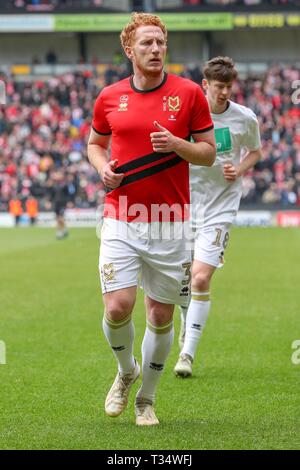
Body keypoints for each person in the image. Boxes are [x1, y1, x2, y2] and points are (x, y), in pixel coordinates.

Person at [87, 12, 215, 426]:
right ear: (129, 50)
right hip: (121, 216)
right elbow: (95, 143)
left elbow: (209, 152)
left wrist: (178, 144)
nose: (156, 49)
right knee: (119, 306)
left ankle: (146, 399)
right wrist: (101, 167)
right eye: (147, 43)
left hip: (171, 222)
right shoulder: (108, 96)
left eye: (160, 42)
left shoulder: (190, 93)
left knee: (160, 315)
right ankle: (126, 372)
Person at [174, 56, 262, 378]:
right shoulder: (187, 115)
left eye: (228, 87)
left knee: (200, 277)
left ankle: (187, 354)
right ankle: (186, 317)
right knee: (181, 282)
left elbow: (255, 151)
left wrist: (237, 169)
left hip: (220, 206)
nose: (223, 92)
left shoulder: (244, 118)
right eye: (218, 87)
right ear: (205, 86)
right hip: (183, 206)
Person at [50, 171, 69, 240]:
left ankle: (60, 231)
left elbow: (67, 194)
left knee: (60, 218)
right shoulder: (53, 185)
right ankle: (64, 230)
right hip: (56, 203)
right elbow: (51, 194)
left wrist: (69, 202)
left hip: (62, 203)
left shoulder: (64, 185)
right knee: (58, 218)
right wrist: (49, 201)